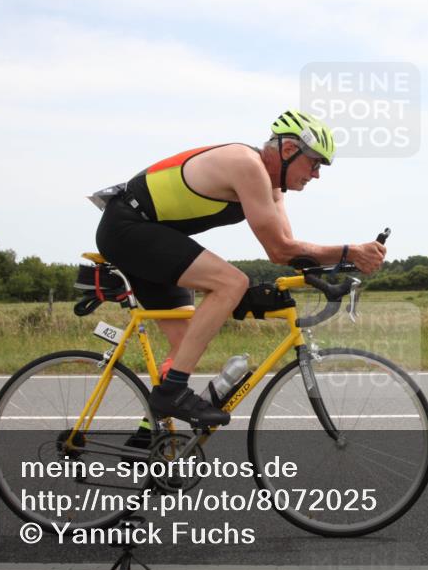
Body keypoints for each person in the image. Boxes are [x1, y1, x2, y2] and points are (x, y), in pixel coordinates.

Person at [95, 110, 386, 428]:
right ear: (290, 150)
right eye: (315, 163)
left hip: (151, 236)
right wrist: (350, 251)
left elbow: (288, 251)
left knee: (187, 343)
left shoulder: (273, 189)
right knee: (232, 283)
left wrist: (336, 271)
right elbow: (279, 248)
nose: (316, 174)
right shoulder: (246, 165)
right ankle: (172, 393)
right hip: (127, 227)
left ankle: (148, 438)